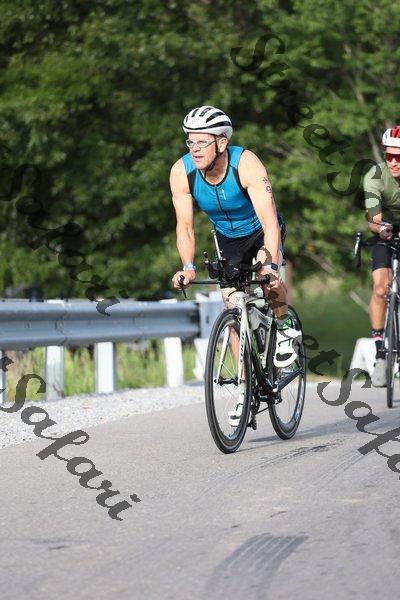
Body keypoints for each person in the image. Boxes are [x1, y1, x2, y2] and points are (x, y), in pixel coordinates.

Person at [170, 105, 300, 378]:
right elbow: (185, 227)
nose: (195, 149)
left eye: (202, 142)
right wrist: (188, 267)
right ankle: (245, 383)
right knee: (232, 304)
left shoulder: (246, 164)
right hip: (227, 238)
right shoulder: (182, 172)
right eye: (190, 142)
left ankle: (284, 325)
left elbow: (270, 222)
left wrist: (271, 266)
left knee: (268, 282)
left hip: (260, 232)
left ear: (221, 143)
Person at [364, 126, 400, 387]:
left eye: (399, 156)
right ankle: (380, 354)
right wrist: (382, 228)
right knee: (380, 288)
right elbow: (373, 219)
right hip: (386, 231)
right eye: (389, 156)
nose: (394, 162)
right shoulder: (375, 175)